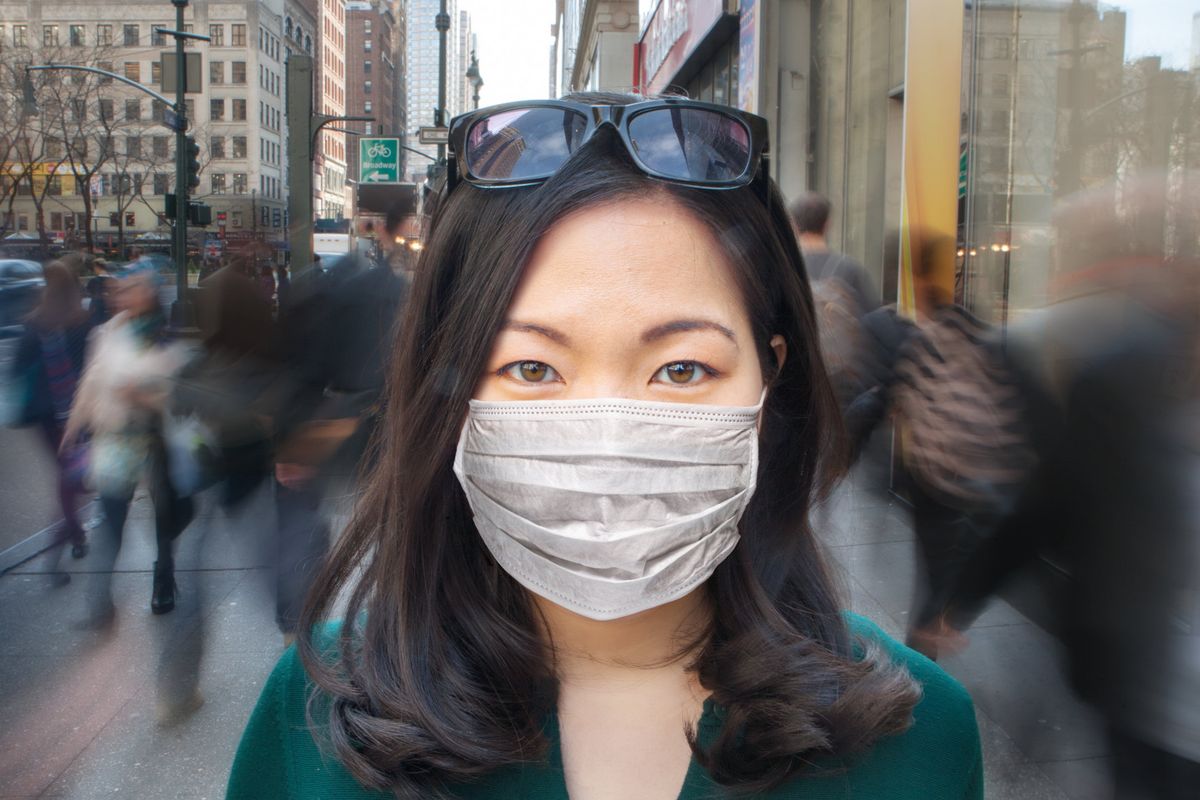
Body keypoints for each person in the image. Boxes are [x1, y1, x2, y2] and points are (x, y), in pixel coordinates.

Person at [229, 94, 982, 799]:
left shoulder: (920, 740)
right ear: (447, 388)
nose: (609, 428)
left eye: (682, 369)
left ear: (769, 383)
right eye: (531, 367)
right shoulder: (312, 717)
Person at [63, 263, 194, 626]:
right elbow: (91, 381)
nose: (122, 295)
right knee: (111, 518)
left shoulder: (168, 339)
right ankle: (98, 601)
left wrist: (143, 395)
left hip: (158, 439)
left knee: (165, 518)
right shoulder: (107, 333)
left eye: (131, 287)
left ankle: (163, 581)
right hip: (117, 437)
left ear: (150, 291)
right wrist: (74, 424)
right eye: (120, 288)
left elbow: (178, 396)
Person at [10, 261, 95, 574]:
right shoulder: (82, 321)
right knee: (72, 480)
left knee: (69, 477)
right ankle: (64, 545)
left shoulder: (35, 321)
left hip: (47, 414)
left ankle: (74, 534)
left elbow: (19, 365)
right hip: (77, 411)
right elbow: (92, 365)